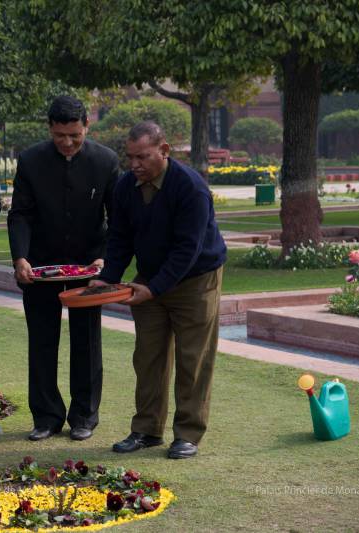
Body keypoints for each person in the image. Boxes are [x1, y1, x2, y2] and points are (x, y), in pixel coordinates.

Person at [91, 121, 226, 459]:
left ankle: (188, 434)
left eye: (143, 157)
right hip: (150, 279)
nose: (134, 164)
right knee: (148, 357)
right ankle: (147, 430)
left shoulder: (190, 188)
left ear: (164, 151)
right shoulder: (125, 187)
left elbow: (187, 249)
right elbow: (120, 238)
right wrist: (107, 278)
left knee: (193, 358)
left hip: (196, 279)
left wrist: (154, 288)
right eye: (130, 157)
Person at [7, 95, 119, 442]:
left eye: (74, 135)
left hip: (88, 269)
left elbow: (117, 220)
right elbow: (20, 214)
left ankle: (84, 417)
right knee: (42, 342)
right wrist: (20, 257)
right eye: (59, 136)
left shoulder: (106, 161)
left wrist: (104, 259)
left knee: (87, 342)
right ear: (50, 129)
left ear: (86, 125)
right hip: (40, 267)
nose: (67, 143)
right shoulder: (30, 160)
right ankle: (46, 417)